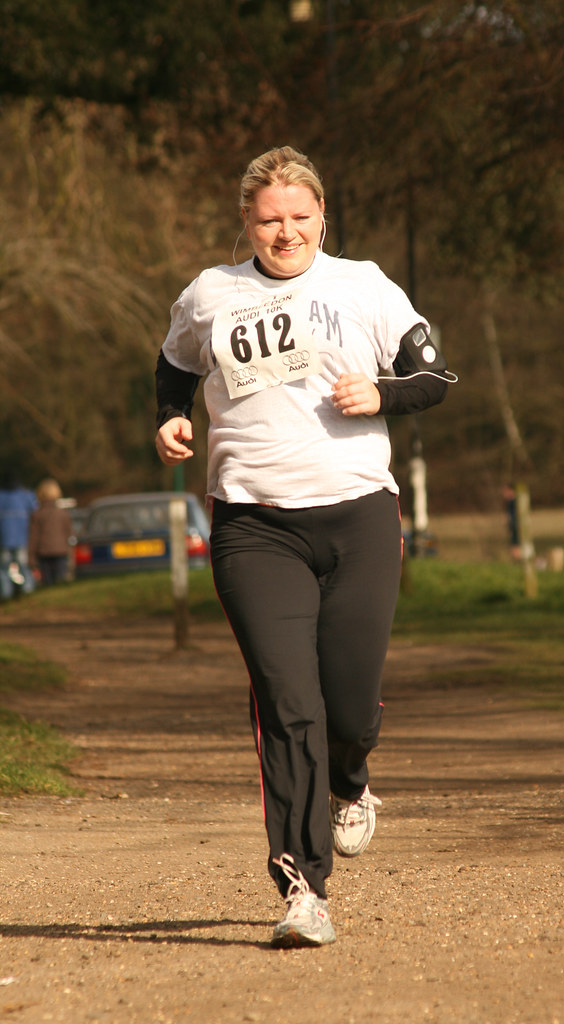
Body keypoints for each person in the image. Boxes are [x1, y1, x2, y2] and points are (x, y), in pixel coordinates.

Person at [154, 146, 456, 949]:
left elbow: (434, 375)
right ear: (245, 224)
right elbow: (174, 362)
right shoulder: (211, 295)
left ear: (322, 215)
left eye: (298, 217)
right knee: (288, 706)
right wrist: (171, 417)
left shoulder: (362, 284)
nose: (284, 232)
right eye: (267, 220)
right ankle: (302, 891)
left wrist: (382, 393)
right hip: (254, 524)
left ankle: (350, 781)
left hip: (357, 515)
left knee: (347, 707)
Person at [28, 478, 73, 586]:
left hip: (43, 554)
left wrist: (31, 559)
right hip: (61, 552)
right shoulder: (63, 513)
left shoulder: (37, 515)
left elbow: (33, 538)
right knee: (61, 582)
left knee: (47, 583)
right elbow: (70, 535)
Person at [0, 474, 38, 599]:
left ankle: (6, 593)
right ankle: (28, 591)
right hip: (22, 539)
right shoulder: (25, 495)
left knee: (4, 569)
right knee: (24, 567)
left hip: (4, 540)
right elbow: (35, 511)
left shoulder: (2, 497)